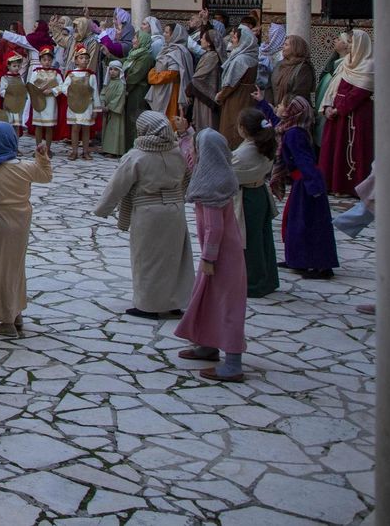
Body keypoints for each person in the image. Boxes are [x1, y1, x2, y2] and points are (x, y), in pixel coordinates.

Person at [93, 110, 196, 319]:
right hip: (175, 210)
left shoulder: (137, 156)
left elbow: (118, 185)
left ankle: (148, 305)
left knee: (148, 259)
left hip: (148, 212)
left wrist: (102, 209)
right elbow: (187, 177)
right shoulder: (176, 152)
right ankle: (174, 301)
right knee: (174, 257)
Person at [174, 128, 249, 382]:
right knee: (207, 299)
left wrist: (208, 258)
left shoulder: (211, 185)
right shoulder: (215, 173)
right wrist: (186, 135)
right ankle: (208, 344)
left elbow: (214, 228)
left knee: (227, 305)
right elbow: (189, 156)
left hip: (222, 258)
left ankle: (234, 364)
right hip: (219, 255)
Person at [0, 122, 53, 336]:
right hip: (21, 222)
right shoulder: (25, 167)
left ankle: (6, 321)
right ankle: (15, 313)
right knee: (15, 268)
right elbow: (46, 176)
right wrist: (42, 156)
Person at [266, 95, 339, 278]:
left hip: (307, 182)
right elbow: (276, 123)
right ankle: (298, 259)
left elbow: (304, 160)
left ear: (291, 111)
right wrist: (262, 103)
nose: (278, 107)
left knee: (309, 224)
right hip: (303, 181)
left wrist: (314, 186)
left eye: (282, 105)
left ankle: (320, 266)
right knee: (294, 221)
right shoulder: (293, 129)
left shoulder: (294, 134)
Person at [318, 28, 374, 195]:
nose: (349, 46)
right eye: (348, 42)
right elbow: (334, 87)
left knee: (355, 151)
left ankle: (353, 187)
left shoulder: (368, 66)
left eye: (351, 42)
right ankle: (334, 184)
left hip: (356, 116)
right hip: (338, 115)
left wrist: (339, 108)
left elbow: (360, 92)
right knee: (335, 149)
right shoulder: (346, 63)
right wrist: (328, 106)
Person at [232, 106, 280, 298]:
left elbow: (228, 174)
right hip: (260, 192)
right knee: (263, 237)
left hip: (248, 196)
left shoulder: (244, 154)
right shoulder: (265, 145)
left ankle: (253, 282)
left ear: (243, 128)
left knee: (251, 241)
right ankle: (268, 279)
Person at [215, 23, 259, 139]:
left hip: (237, 98)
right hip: (248, 96)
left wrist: (221, 96)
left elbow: (231, 83)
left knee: (233, 127)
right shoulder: (251, 56)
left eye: (235, 38)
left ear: (243, 40)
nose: (232, 40)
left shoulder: (240, 60)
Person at [119, 27, 156, 154]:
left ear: (142, 40)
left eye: (136, 38)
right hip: (131, 90)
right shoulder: (134, 54)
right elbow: (124, 63)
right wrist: (109, 56)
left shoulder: (145, 57)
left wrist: (125, 86)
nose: (133, 40)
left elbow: (136, 75)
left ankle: (135, 149)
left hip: (138, 92)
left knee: (135, 118)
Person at [147, 23, 194, 120]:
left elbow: (173, 72)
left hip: (170, 91)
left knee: (169, 118)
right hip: (162, 89)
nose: (164, 34)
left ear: (174, 35)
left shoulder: (177, 51)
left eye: (167, 32)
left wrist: (153, 76)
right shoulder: (168, 48)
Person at [186, 23, 223, 134]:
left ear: (209, 42)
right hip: (201, 93)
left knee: (205, 122)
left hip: (206, 96)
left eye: (202, 38)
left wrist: (189, 90)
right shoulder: (208, 55)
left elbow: (198, 77)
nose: (200, 40)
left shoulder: (212, 56)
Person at [64, 44, 99, 160]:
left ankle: (85, 151)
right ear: (76, 60)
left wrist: (96, 109)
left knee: (86, 128)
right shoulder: (71, 74)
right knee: (75, 128)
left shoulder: (91, 75)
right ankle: (74, 151)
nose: (84, 60)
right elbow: (64, 88)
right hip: (74, 105)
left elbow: (95, 93)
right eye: (81, 58)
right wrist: (71, 93)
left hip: (87, 105)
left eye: (86, 58)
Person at [271, 32, 316, 110]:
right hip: (276, 109)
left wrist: (282, 108)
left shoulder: (304, 68)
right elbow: (270, 86)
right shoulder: (280, 64)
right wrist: (270, 105)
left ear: (296, 48)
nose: (283, 47)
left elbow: (299, 94)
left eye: (286, 45)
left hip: (294, 111)